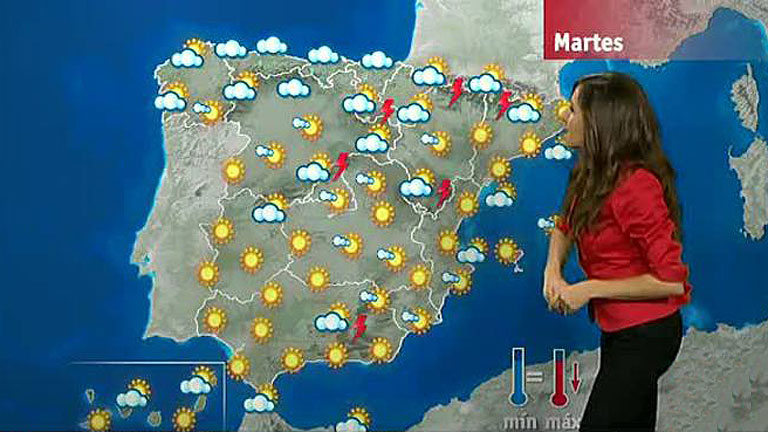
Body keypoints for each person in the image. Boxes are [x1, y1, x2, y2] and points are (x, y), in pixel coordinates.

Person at [543, 72, 692, 431]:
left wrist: (588, 289)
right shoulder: (592, 174)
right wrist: (553, 272)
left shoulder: (636, 186)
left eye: (573, 110)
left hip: (648, 334)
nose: (564, 116)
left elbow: (670, 282)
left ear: (600, 124)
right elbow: (565, 225)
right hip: (619, 329)